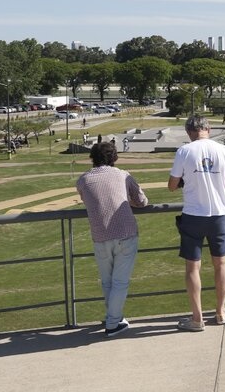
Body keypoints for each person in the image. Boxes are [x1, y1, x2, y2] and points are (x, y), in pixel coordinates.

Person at [168, 115, 225, 331]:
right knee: (221, 264)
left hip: (193, 215)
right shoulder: (224, 150)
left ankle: (197, 318)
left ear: (189, 131)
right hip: (219, 214)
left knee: (193, 267)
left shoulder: (184, 151)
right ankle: (221, 312)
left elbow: (172, 185)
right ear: (209, 129)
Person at [76, 142, 148, 338]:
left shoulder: (83, 180)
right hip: (125, 234)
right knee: (120, 282)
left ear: (92, 158)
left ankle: (113, 317)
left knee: (107, 282)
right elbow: (142, 201)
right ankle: (113, 323)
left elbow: (89, 200)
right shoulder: (123, 175)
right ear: (114, 157)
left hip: (100, 236)